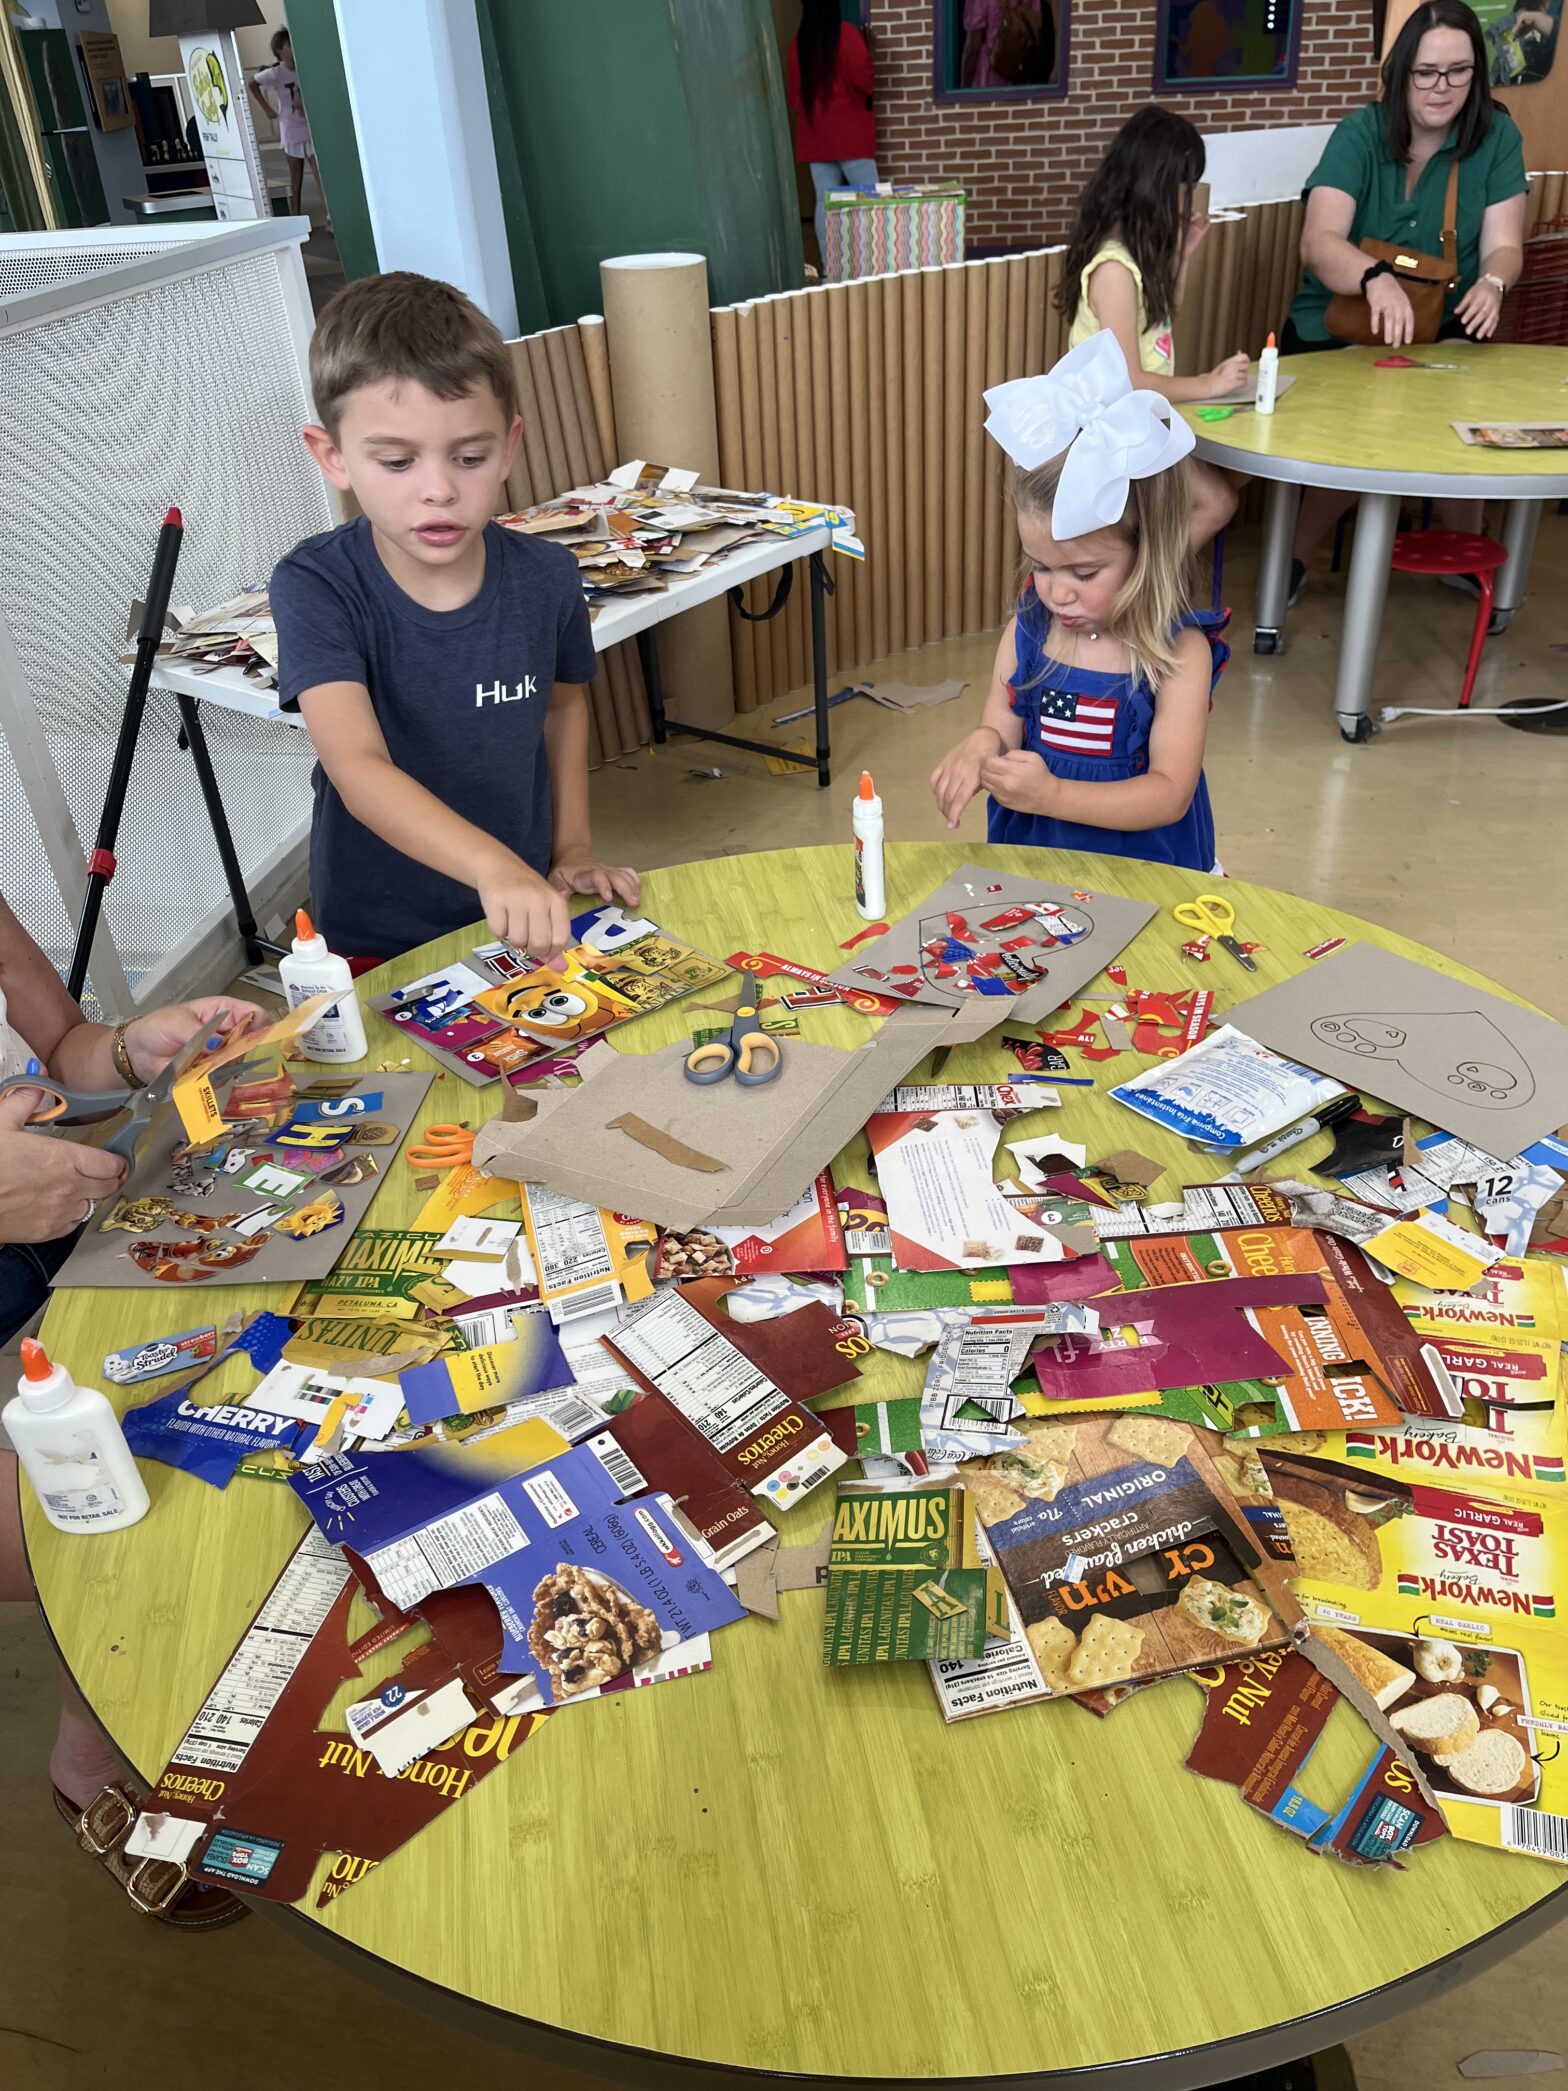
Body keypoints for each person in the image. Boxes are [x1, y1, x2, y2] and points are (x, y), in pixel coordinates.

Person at [0, 892, 259, 1926]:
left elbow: (62, 1041)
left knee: (236, 1405)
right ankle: (93, 1750)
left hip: (35, 1246)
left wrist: (126, 1052)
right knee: (111, 1500)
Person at [270, 271, 639, 972]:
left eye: (468, 457)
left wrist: (573, 849)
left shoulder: (546, 577)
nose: (438, 488)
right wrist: (492, 864)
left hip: (521, 911)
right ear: (333, 456)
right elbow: (357, 768)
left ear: (509, 446)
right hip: (377, 931)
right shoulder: (317, 586)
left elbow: (563, 708)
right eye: (397, 461)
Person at [930, 333, 1227, 872]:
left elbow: (1169, 794)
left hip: (1147, 875)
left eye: (1084, 572)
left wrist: (1053, 796)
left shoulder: (1179, 655)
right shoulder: (1030, 632)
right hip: (1039, 867)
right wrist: (982, 743)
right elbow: (1002, 725)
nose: (1056, 591)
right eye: (1040, 566)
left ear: (1148, 552)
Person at [1284, 0, 1528, 595]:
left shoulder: (1497, 136)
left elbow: (1504, 247)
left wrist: (1494, 283)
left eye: (1459, 70)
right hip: (1336, 328)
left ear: (1477, 73)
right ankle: (1292, 558)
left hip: (1444, 327)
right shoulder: (1360, 132)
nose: (1442, 87)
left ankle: (1464, 544)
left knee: (1468, 404)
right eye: (1426, 71)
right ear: (1399, 74)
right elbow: (1318, 244)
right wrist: (1374, 278)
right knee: (1373, 429)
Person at [1058, 106, 1250, 550]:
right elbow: (1129, 382)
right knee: (1217, 500)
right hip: (1110, 434)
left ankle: (1142, 588)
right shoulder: (1114, 270)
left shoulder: (1135, 262)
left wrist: (1182, 257)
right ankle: (1138, 597)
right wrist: (1209, 384)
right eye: (1183, 185)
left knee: (1227, 483)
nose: (1187, 198)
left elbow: (1159, 327)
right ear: (1156, 186)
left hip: (1135, 424)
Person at [787, 0, 878, 263]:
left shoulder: (798, 44)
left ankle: (830, 268)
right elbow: (865, 81)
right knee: (869, 199)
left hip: (816, 135)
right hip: (851, 135)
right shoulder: (846, 34)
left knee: (824, 204)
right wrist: (871, 50)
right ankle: (873, 264)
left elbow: (796, 99)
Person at [248, 27, 319, 220]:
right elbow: (252, 83)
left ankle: (331, 214)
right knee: (296, 175)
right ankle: (296, 214)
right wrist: (266, 108)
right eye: (289, 45)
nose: (293, 48)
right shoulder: (276, 73)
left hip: (308, 125)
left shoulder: (303, 68)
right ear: (280, 49)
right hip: (290, 126)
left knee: (319, 171)